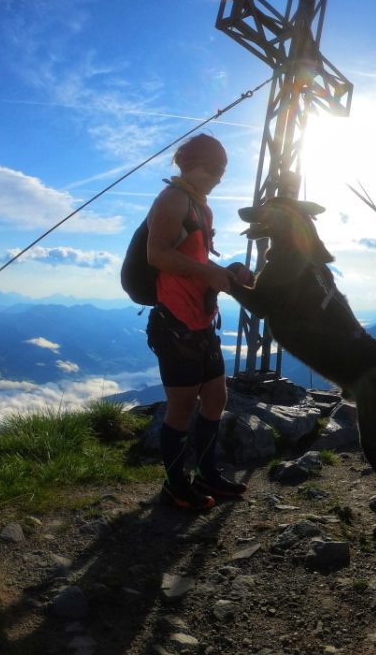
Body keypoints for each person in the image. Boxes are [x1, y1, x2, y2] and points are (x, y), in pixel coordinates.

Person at [145, 133, 250, 510]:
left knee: (217, 397)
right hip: (175, 323)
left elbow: (196, 261)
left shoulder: (201, 208)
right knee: (182, 406)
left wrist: (226, 272)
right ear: (193, 165)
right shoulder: (172, 199)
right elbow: (156, 255)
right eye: (216, 168)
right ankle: (176, 484)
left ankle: (207, 472)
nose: (220, 177)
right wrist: (210, 274)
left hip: (201, 321)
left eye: (223, 170)